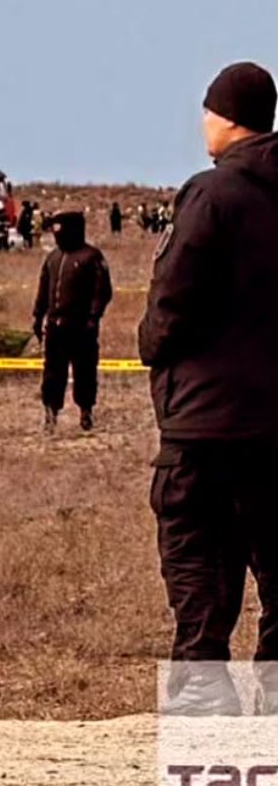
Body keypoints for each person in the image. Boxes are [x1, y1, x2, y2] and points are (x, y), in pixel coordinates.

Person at [138, 61, 278, 715]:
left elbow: (173, 299)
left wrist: (151, 344)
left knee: (198, 568)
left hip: (205, 426)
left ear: (226, 117)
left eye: (207, 111)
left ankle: (205, 715)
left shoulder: (212, 195)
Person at [32, 211, 112, 433]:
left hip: (81, 327)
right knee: (52, 371)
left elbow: (102, 291)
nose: (57, 236)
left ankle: (86, 411)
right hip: (55, 326)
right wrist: (38, 316)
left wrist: (93, 318)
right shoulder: (53, 258)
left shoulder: (91, 257)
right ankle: (50, 412)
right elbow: (43, 289)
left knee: (84, 370)